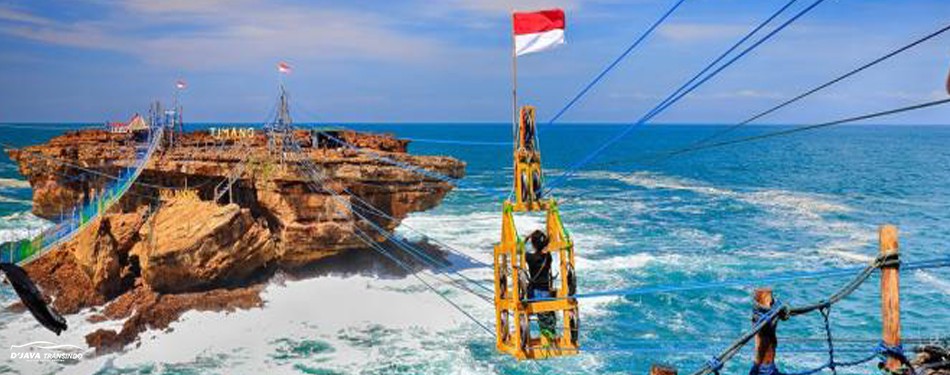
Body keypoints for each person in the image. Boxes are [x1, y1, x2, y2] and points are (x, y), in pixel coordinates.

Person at [525, 230, 557, 340]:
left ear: (533, 244)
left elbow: (518, 251)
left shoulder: (530, 258)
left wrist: (526, 239)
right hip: (546, 291)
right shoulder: (548, 257)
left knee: (540, 314)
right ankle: (550, 335)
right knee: (546, 316)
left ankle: (546, 335)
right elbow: (545, 250)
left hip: (535, 293)